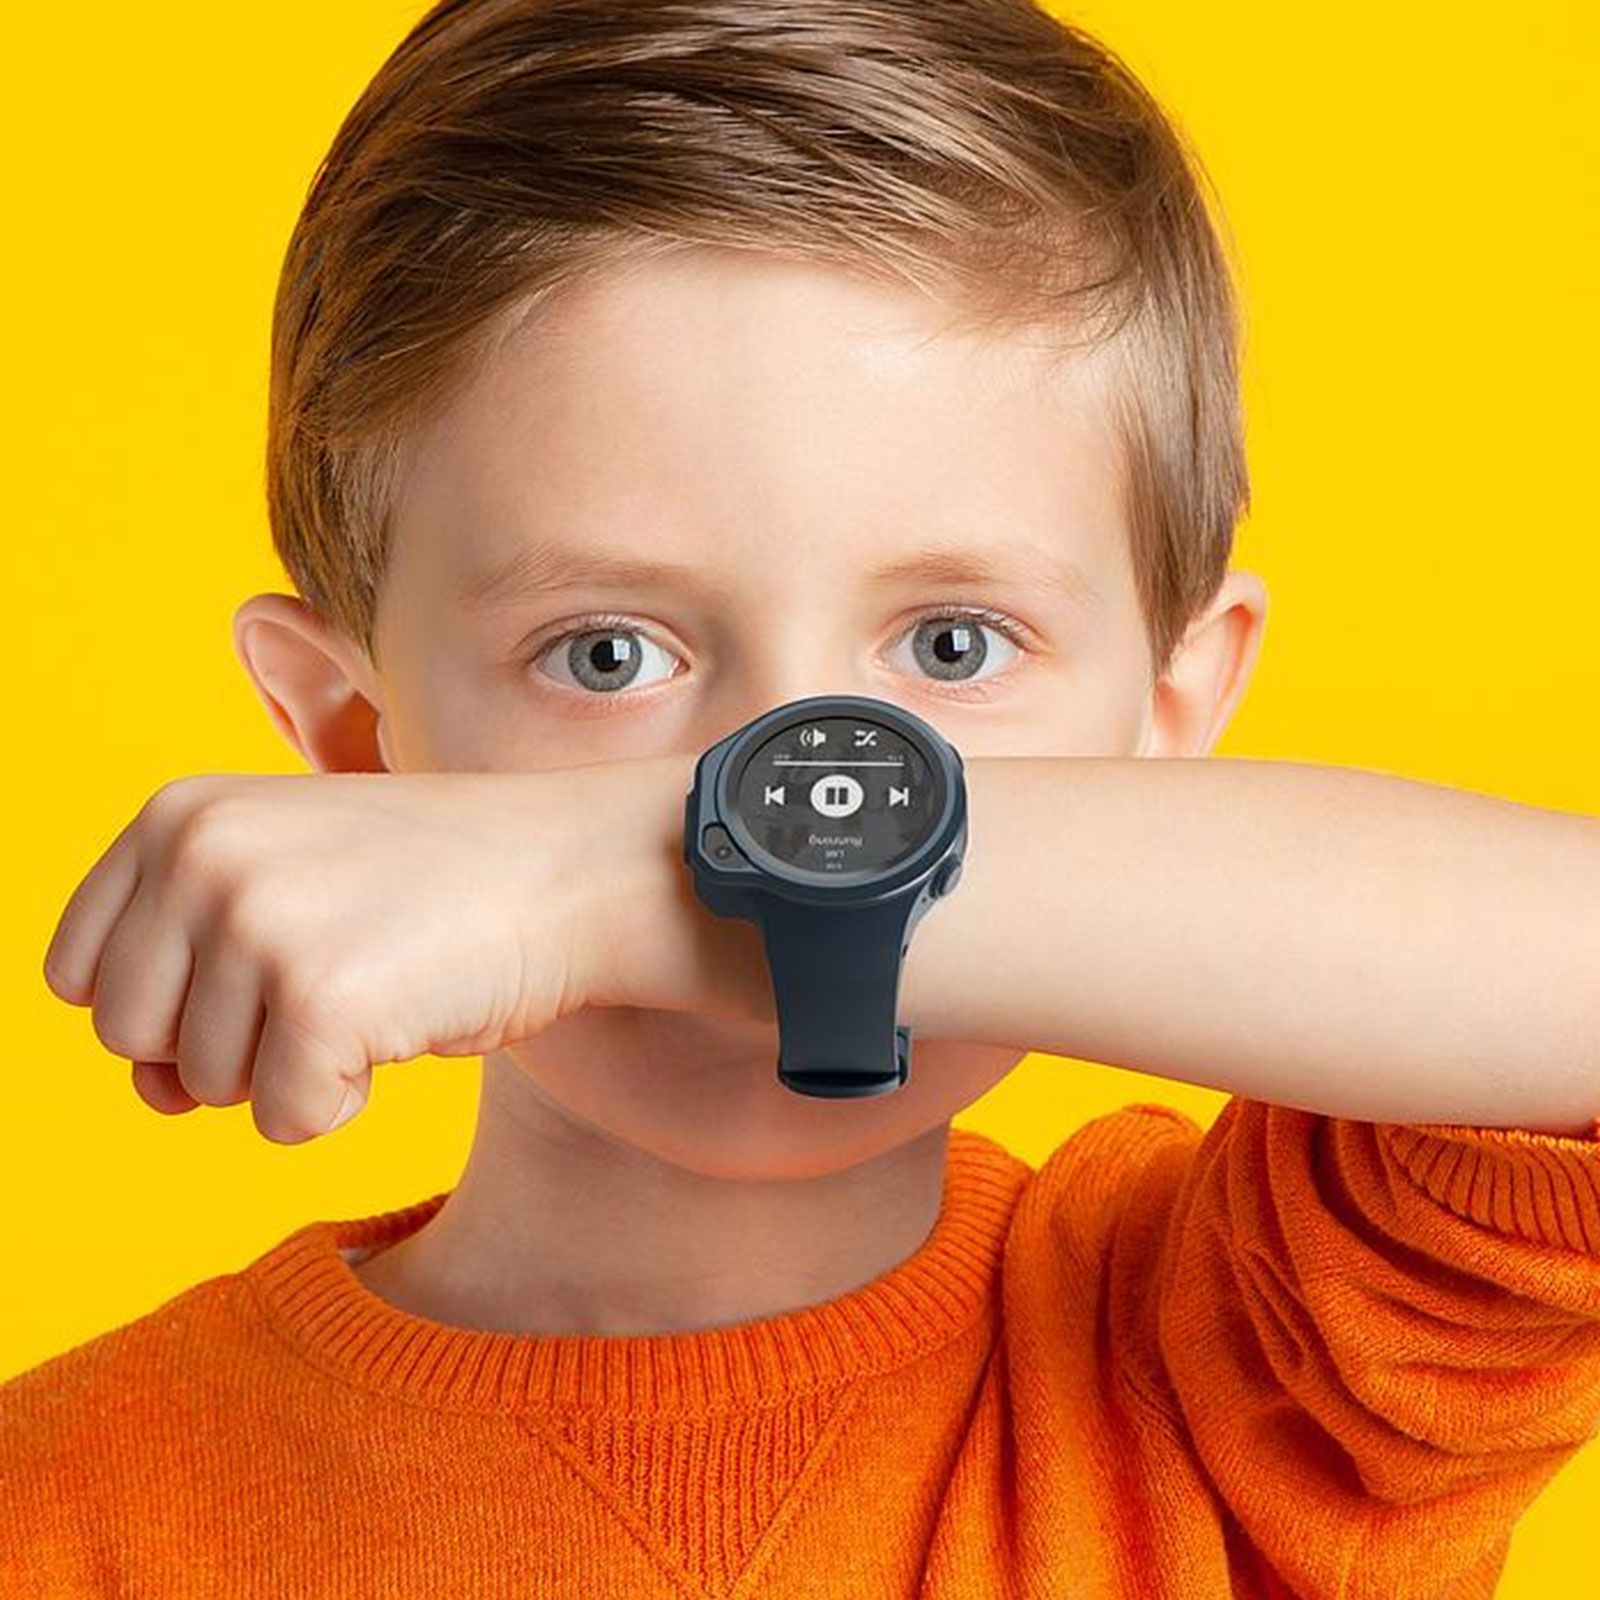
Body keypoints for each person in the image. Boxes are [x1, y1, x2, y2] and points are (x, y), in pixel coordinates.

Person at [6, 1, 1599, 1594]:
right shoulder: (63, 1506)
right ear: (356, 739)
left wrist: (605, 875)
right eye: (608, 653)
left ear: (1172, 705)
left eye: (953, 644)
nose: (779, 779)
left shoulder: (1267, 1360)